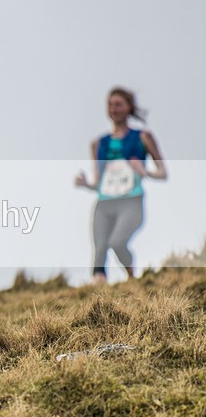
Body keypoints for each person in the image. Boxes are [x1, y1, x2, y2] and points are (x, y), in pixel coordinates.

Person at [75, 87, 166, 284]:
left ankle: (131, 277)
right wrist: (85, 184)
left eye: (118, 104)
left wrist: (145, 172)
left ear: (128, 107)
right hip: (105, 203)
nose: (113, 109)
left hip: (131, 201)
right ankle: (98, 301)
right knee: (100, 249)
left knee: (117, 242)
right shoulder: (98, 144)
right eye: (110, 105)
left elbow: (163, 172)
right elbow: (98, 182)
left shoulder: (143, 137)